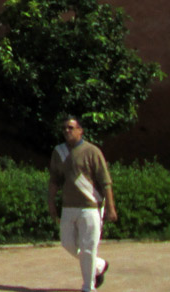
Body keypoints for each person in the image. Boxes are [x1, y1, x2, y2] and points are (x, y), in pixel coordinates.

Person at [48, 116, 117, 291]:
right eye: (64, 128)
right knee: (67, 243)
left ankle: (88, 287)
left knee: (88, 248)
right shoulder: (59, 152)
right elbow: (55, 179)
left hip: (90, 206)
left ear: (81, 130)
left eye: (71, 128)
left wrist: (110, 207)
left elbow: (105, 181)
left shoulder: (92, 151)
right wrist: (51, 203)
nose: (67, 131)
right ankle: (99, 265)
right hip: (68, 207)